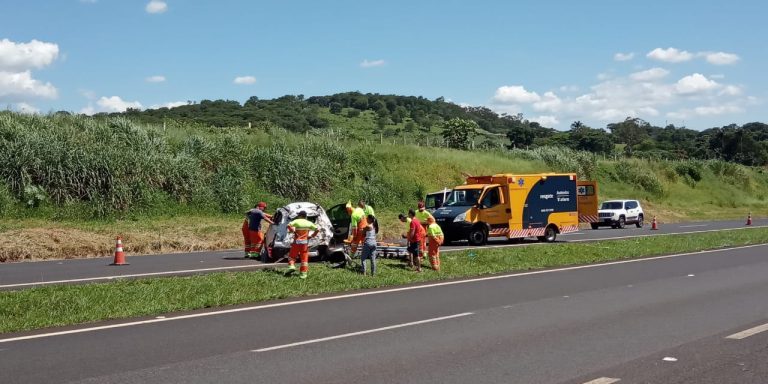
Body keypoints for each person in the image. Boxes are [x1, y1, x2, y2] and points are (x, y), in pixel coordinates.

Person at [286, 210, 319, 279]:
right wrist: (312, 236)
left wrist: (292, 231)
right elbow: (317, 229)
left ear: (300, 215)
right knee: (304, 259)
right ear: (305, 216)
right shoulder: (309, 223)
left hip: (296, 242)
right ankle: (303, 275)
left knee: (292, 256)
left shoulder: (297, 221)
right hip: (304, 243)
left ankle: (291, 266)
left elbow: (288, 225)